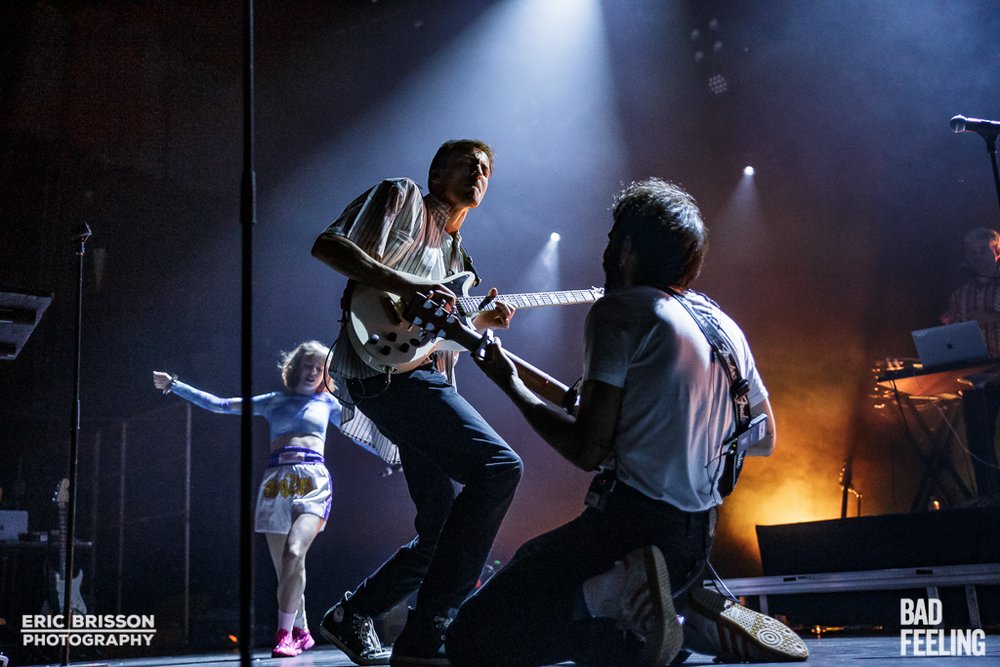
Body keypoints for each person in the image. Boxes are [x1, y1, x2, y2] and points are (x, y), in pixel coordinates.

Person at [446, 178, 809, 666]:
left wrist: (510, 386)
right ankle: (684, 616)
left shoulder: (619, 312)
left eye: (613, 238)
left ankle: (617, 601)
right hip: (693, 544)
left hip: (629, 534)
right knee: (564, 604)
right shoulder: (721, 324)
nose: (606, 250)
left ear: (629, 248)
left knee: (471, 638)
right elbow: (765, 438)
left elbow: (587, 449)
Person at [310, 139, 523, 667]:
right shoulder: (401, 197)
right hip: (387, 375)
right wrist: (405, 282)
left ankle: (353, 613)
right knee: (498, 467)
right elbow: (329, 246)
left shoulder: (460, 261)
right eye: (467, 163)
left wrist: (479, 322)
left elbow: (430, 334)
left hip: (421, 374)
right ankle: (431, 630)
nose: (478, 172)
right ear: (435, 174)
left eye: (486, 169)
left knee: (442, 527)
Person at [153, 340, 344, 658]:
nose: (313, 372)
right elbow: (219, 405)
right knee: (287, 568)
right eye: (308, 365)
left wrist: (396, 455)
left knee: (294, 552)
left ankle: (284, 634)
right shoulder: (274, 401)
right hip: (276, 483)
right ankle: (302, 631)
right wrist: (175, 385)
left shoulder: (329, 403)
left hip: (313, 480)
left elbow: (364, 431)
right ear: (296, 367)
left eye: (319, 368)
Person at [940, 226, 1000, 500]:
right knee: (978, 440)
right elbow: (952, 326)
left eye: (982, 251)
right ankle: (989, 497)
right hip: (976, 376)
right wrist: (948, 328)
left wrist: (993, 317)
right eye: (971, 253)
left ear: (996, 252)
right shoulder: (960, 294)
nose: (976, 258)